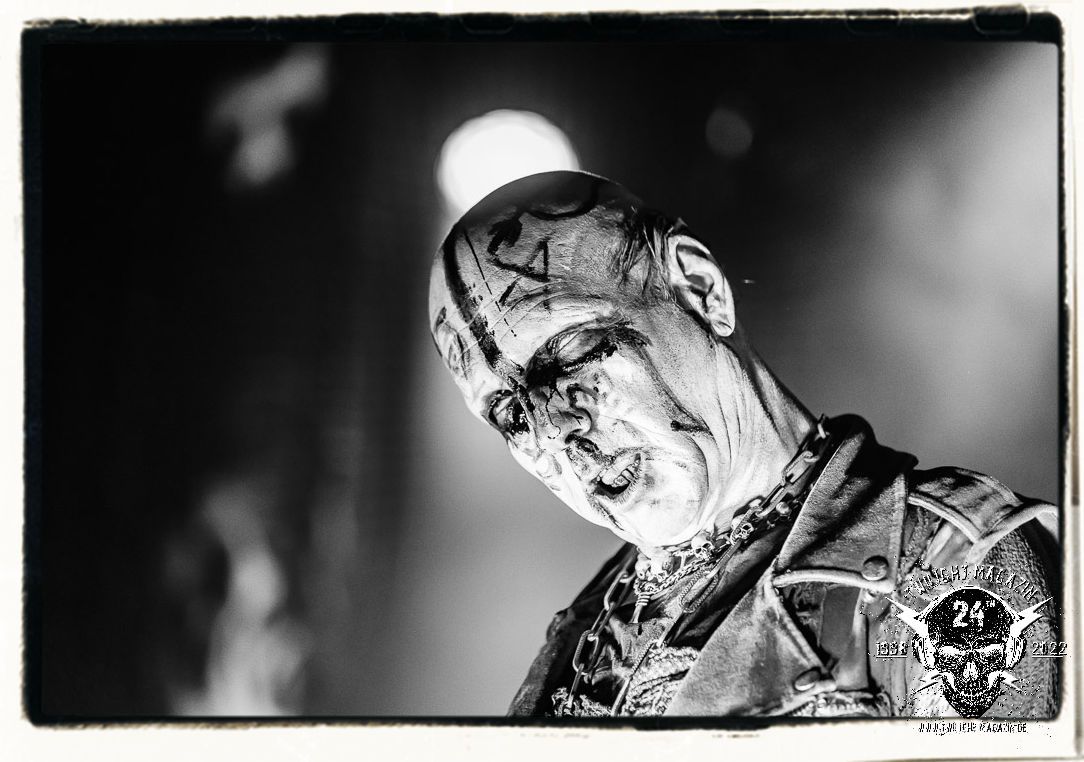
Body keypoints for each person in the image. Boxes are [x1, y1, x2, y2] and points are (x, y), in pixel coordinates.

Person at [427, 170, 1059, 718]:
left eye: (572, 352)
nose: (553, 430)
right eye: (509, 414)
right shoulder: (574, 645)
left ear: (699, 288)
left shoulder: (946, 561)